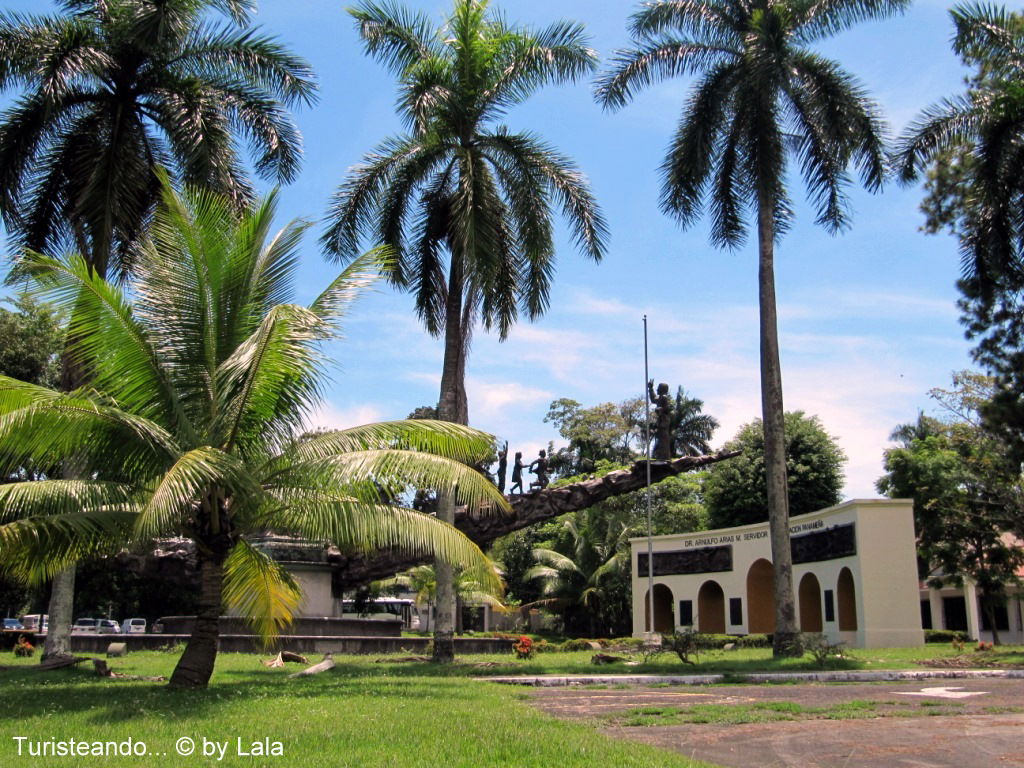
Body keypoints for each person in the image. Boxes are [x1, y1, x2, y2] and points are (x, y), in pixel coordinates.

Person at [648, 379, 673, 461]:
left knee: (663, 439)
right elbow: (653, 399)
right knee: (660, 439)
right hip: (661, 422)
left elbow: (667, 408)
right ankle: (661, 456)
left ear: (662, 389)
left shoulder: (664, 397)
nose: (657, 389)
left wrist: (661, 409)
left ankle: (665, 457)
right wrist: (650, 389)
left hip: (664, 422)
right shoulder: (660, 398)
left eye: (658, 388)